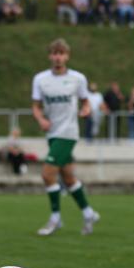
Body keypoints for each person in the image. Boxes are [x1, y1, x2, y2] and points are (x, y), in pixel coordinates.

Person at [31, 38, 100, 236]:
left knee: (47, 174)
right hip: (52, 133)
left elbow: (86, 101)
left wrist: (86, 110)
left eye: (61, 53)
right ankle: (88, 213)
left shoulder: (78, 78)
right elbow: (35, 106)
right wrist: (41, 119)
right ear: (50, 56)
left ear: (67, 56)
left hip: (68, 133)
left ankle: (55, 218)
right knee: (68, 178)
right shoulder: (40, 79)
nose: (58, 57)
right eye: (55, 53)